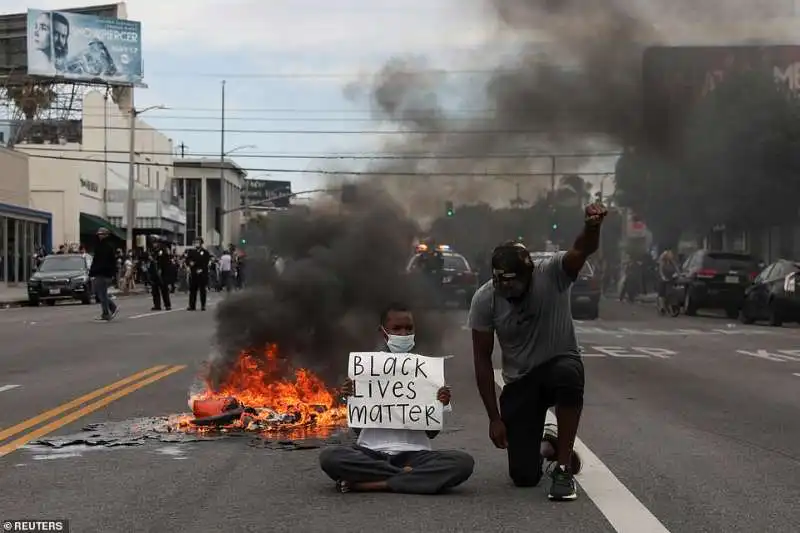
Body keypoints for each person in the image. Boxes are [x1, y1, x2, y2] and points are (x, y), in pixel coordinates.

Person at [468, 201, 607, 501]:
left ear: (529, 274)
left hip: (558, 363)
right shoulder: (484, 300)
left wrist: (591, 227)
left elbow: (581, 250)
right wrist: (494, 417)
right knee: (523, 477)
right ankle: (549, 445)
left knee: (567, 373)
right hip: (520, 382)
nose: (508, 294)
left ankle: (563, 468)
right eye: (501, 286)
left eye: (515, 287)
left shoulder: (552, 272)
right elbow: (481, 358)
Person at [319, 303, 474, 494]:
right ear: (383, 333)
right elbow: (359, 430)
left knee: (462, 463)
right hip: (371, 453)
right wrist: (349, 397)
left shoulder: (425, 371)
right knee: (330, 457)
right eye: (397, 329)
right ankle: (408, 477)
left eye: (408, 328)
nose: (403, 334)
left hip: (414, 455)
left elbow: (431, 433)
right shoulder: (366, 370)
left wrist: (439, 403)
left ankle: (373, 483)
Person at [88, 227, 119, 321]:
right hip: (99, 272)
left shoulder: (108, 246)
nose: (100, 236)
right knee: (100, 293)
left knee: (101, 294)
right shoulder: (99, 246)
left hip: (104, 273)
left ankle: (107, 312)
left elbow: (107, 262)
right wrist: (92, 271)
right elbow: (96, 260)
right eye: (99, 234)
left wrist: (112, 273)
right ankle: (111, 308)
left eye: (102, 234)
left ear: (106, 235)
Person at [186, 238, 211, 311]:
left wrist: (201, 269)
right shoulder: (191, 251)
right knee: (193, 290)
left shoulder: (205, 252)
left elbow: (205, 262)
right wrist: (190, 263)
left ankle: (203, 305)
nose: (196, 243)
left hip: (202, 273)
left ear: (201, 243)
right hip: (193, 273)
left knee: (202, 290)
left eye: (198, 242)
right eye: (195, 242)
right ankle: (192, 305)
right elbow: (187, 259)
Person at [148, 238, 172, 311]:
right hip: (154, 273)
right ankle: (157, 305)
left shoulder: (163, 250)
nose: (154, 244)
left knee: (164, 289)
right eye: (153, 243)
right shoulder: (153, 250)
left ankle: (167, 305)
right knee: (155, 290)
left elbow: (165, 261)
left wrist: (161, 269)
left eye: (155, 243)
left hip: (162, 273)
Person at [656, 247, 679, 312]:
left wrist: (676, 274)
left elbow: (677, 269)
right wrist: (663, 277)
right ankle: (662, 307)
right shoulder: (662, 262)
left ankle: (672, 305)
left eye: (671, 254)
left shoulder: (673, 262)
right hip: (662, 279)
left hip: (670, 279)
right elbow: (660, 271)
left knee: (670, 292)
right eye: (669, 255)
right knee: (661, 293)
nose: (670, 256)